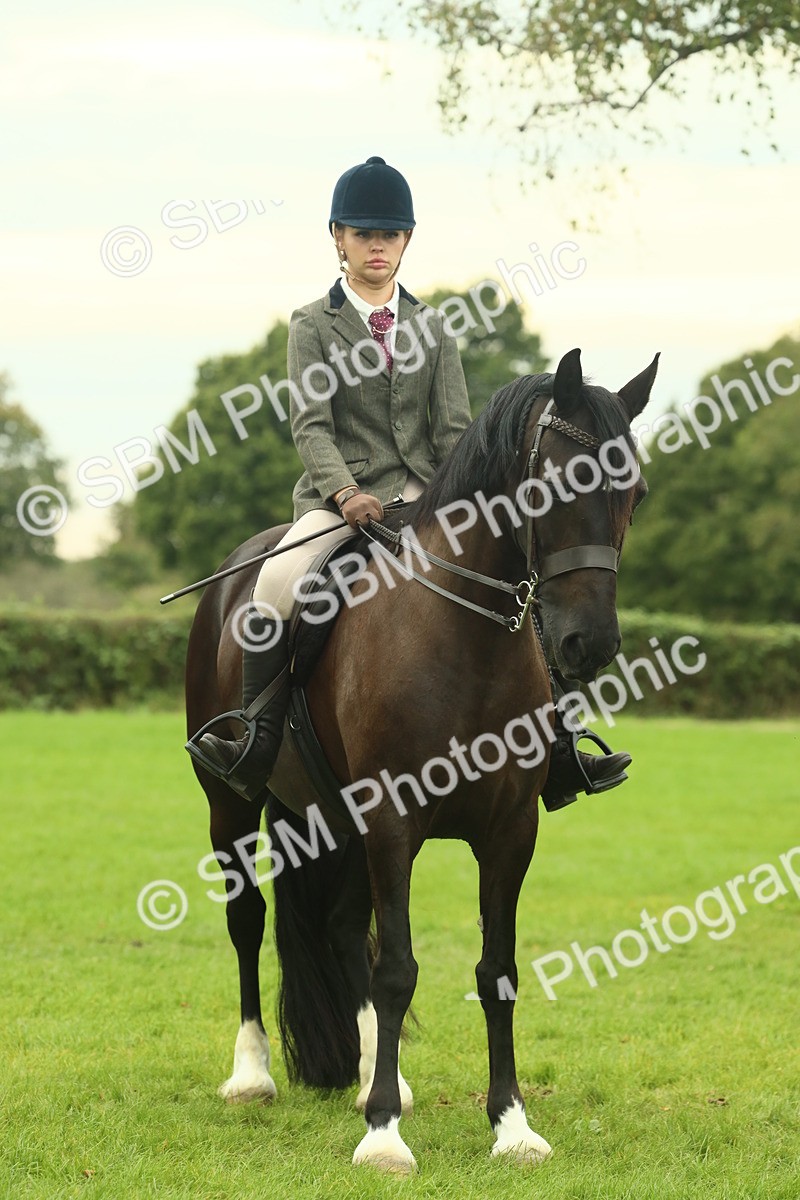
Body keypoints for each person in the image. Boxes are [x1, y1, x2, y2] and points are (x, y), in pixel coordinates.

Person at [186, 155, 631, 810]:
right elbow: (311, 428)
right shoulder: (312, 325)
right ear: (337, 237)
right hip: (339, 506)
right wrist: (345, 494)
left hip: (429, 503)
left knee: (520, 583)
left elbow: (454, 431)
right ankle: (255, 737)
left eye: (388, 234)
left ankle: (558, 745)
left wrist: (469, 503)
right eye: (363, 233)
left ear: (406, 241)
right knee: (276, 585)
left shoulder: (434, 327)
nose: (376, 245)